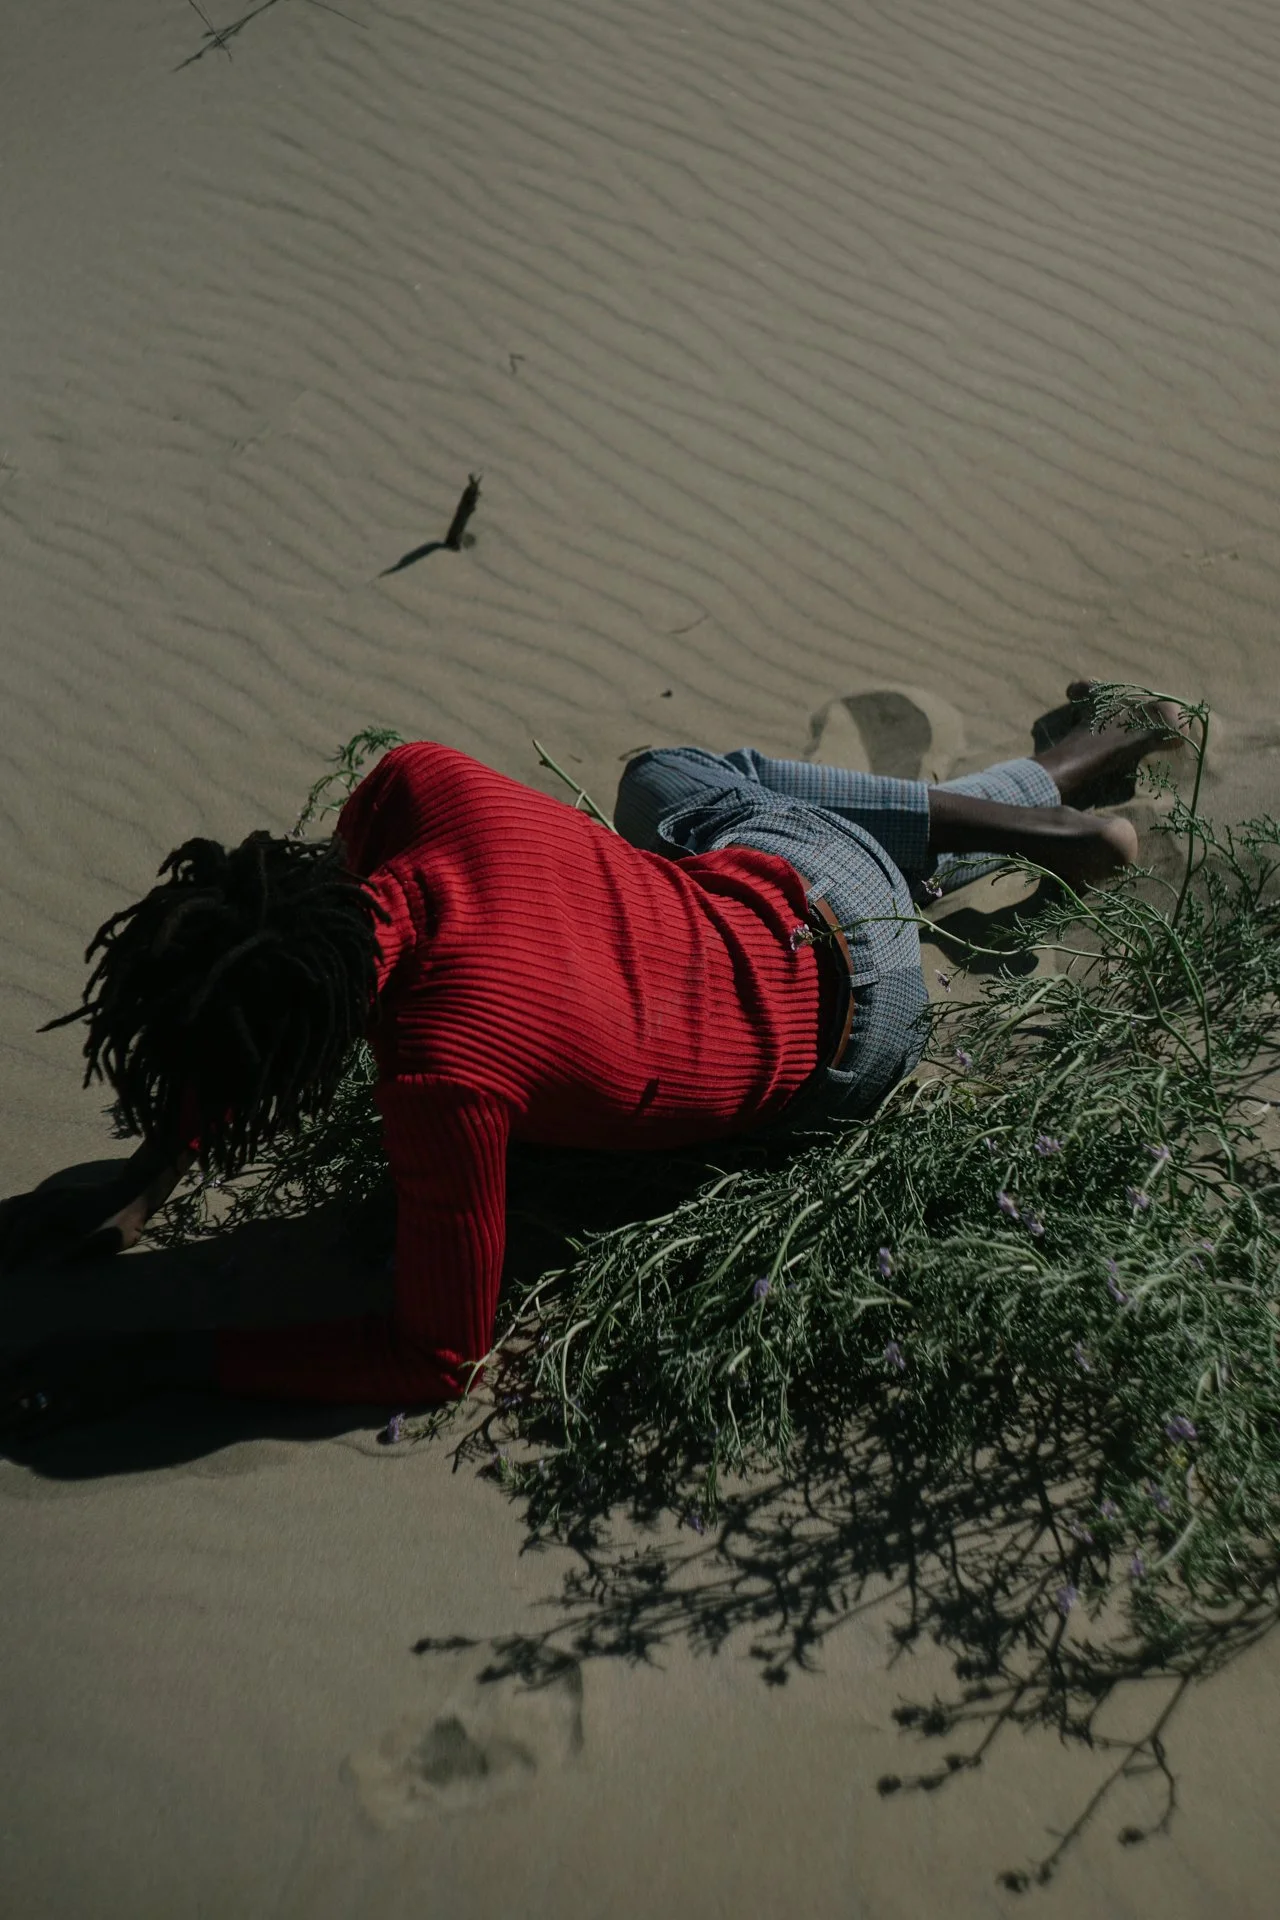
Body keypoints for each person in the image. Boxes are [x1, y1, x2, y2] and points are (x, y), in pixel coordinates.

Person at [0, 684, 1181, 1432]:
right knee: (667, 780)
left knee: (700, 806)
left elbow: (435, 1357)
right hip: (813, 883)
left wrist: (169, 1359)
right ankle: (1047, 792)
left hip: (856, 1056)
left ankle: (1043, 800)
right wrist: (151, 1176)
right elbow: (262, 976)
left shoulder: (443, 1078)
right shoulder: (414, 786)